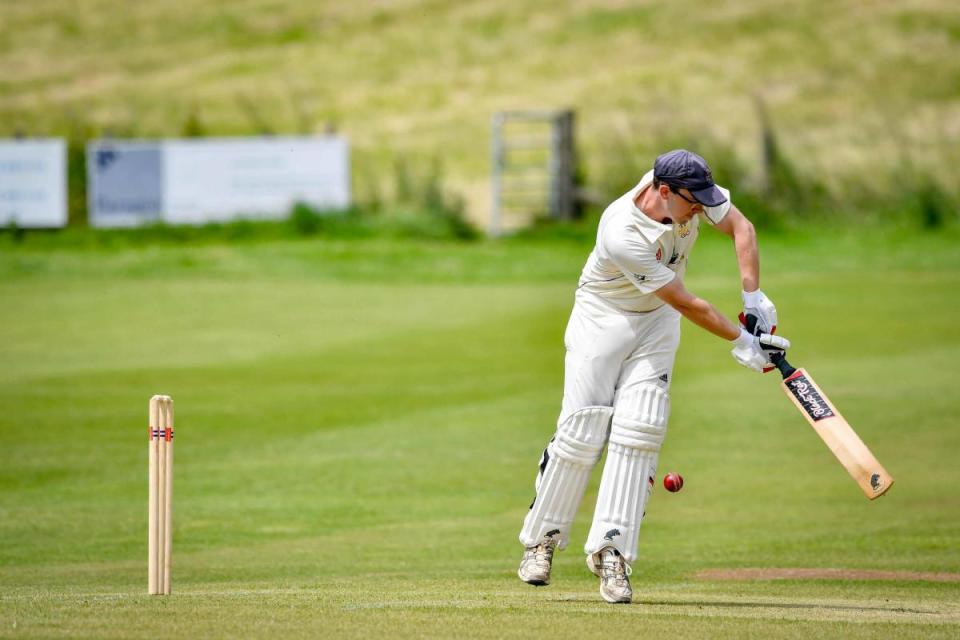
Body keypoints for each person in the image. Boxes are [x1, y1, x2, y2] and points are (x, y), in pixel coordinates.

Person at [516, 149, 789, 604]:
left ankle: (612, 554)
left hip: (656, 322)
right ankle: (541, 541)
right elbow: (687, 301)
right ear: (663, 192)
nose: (701, 207)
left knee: (642, 428)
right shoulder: (622, 231)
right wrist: (743, 341)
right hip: (602, 320)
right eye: (692, 200)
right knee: (582, 432)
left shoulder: (689, 188)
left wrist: (754, 295)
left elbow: (742, 228)